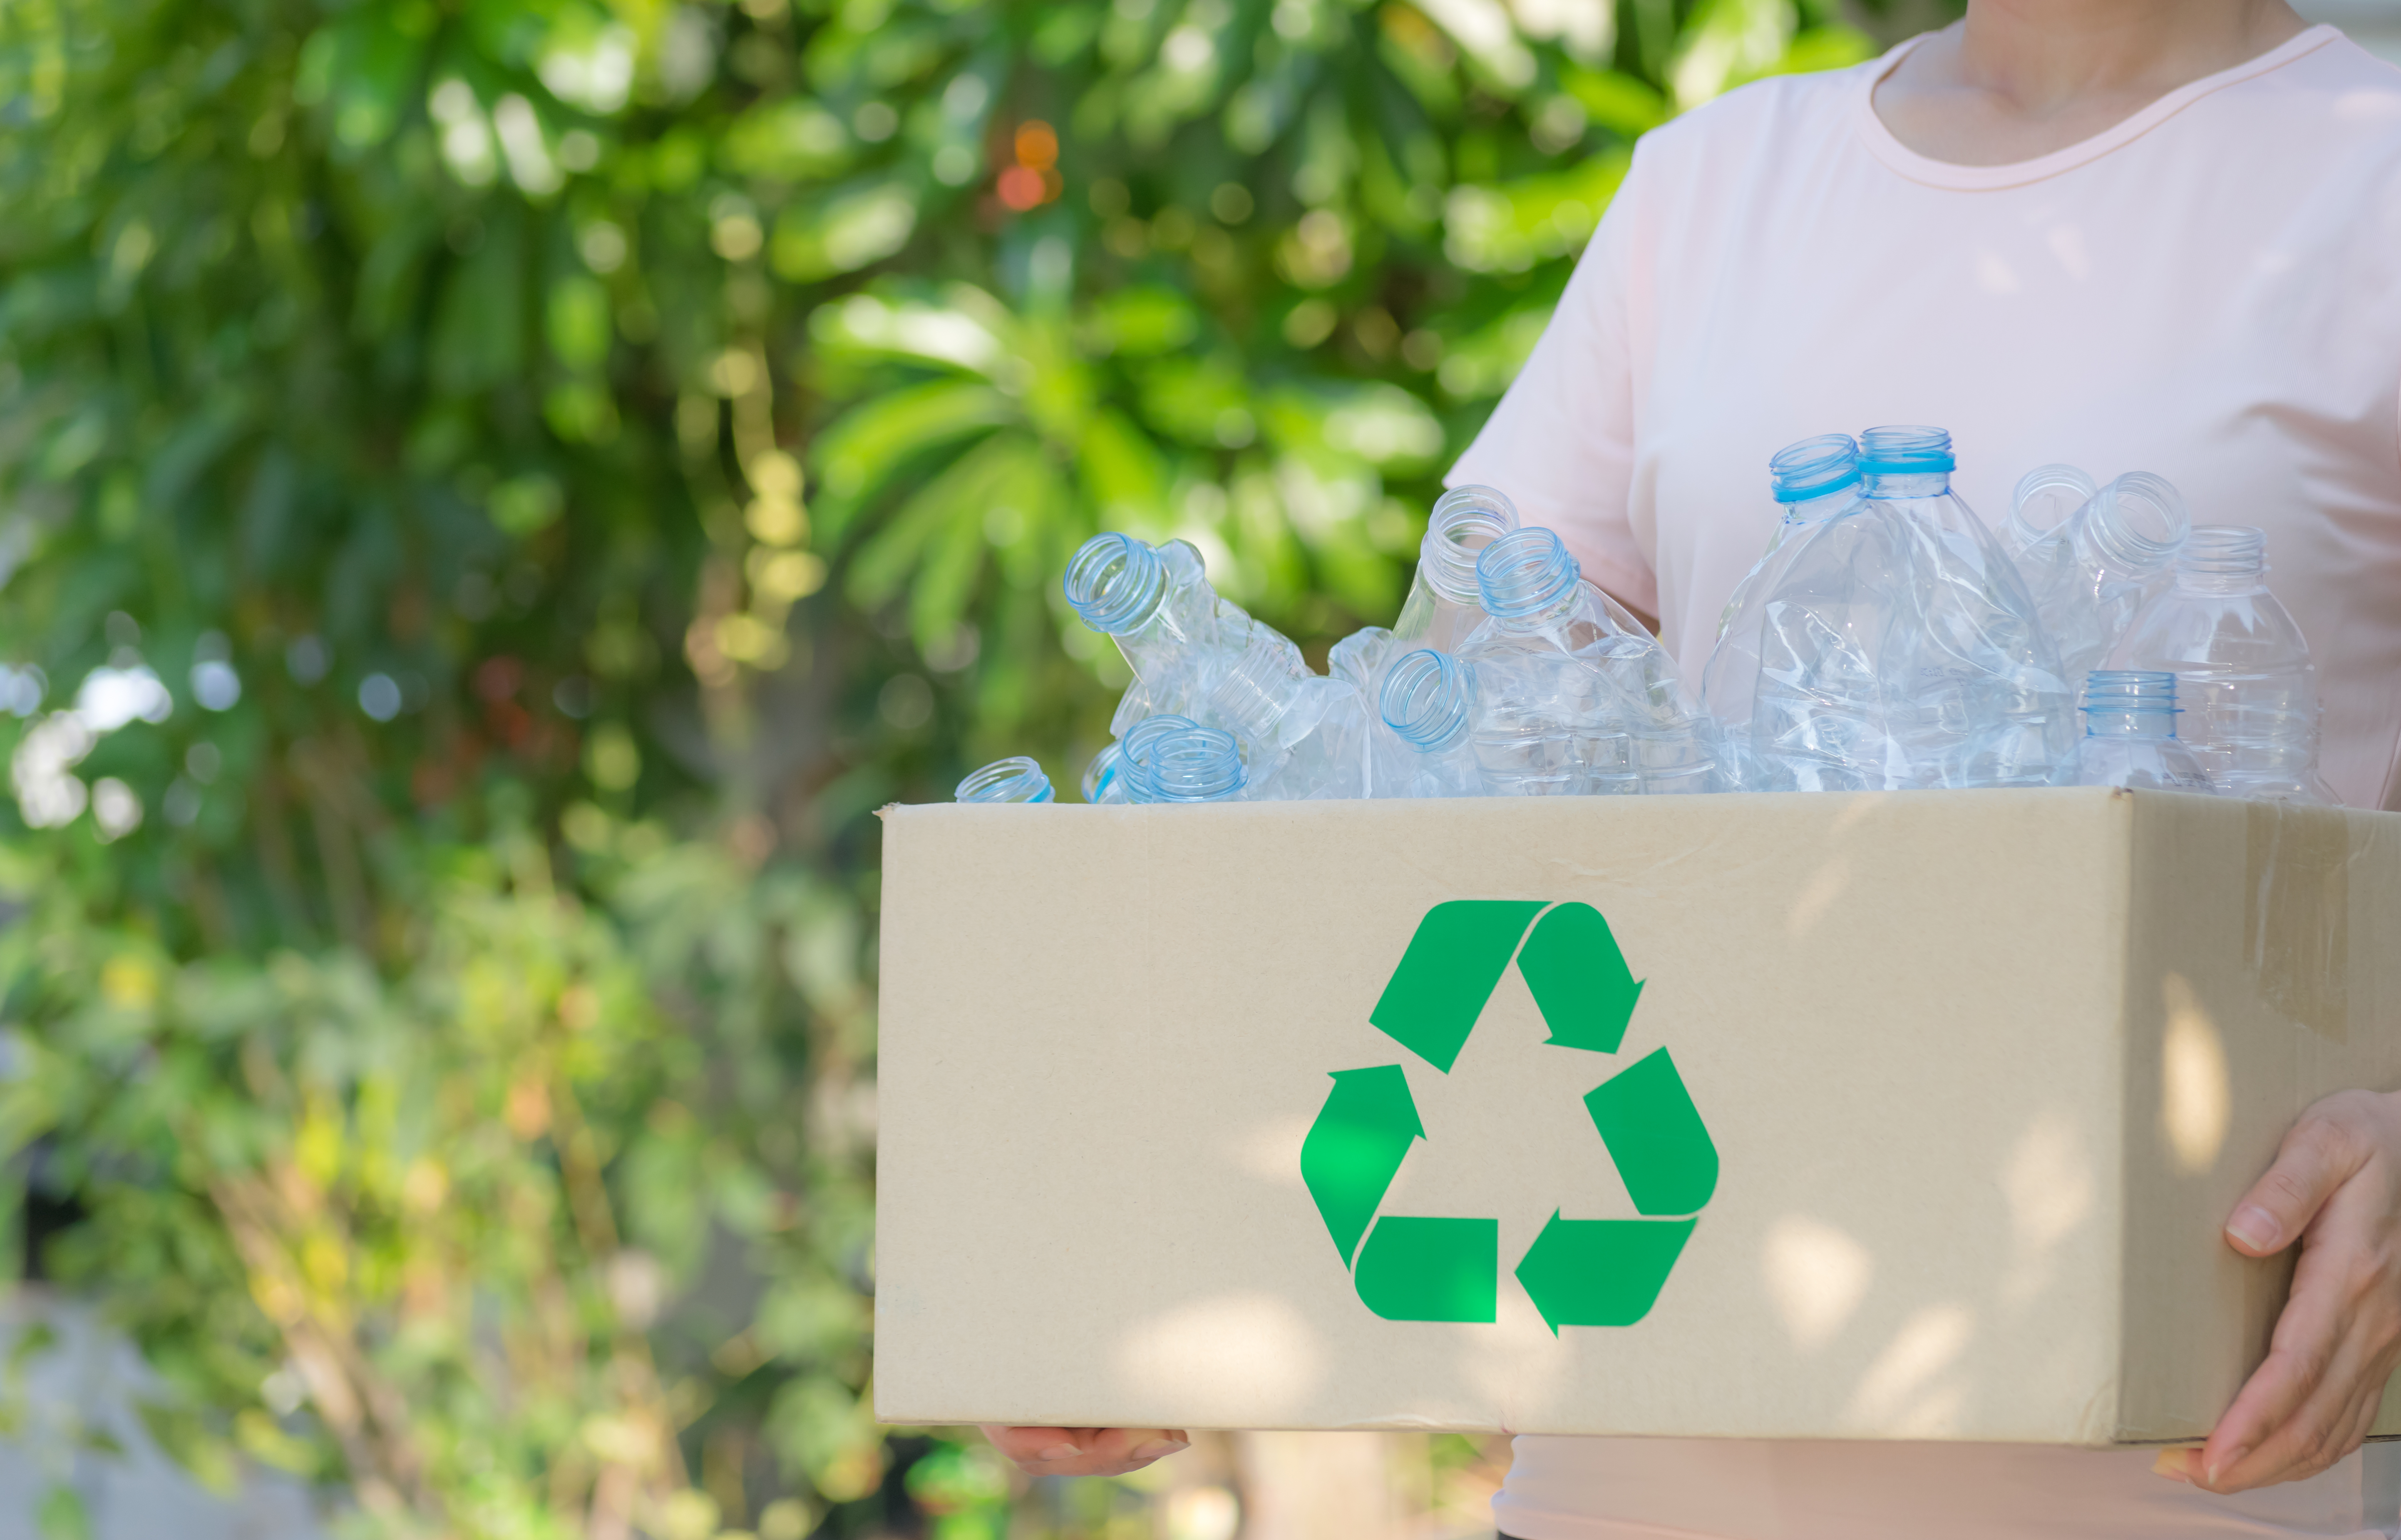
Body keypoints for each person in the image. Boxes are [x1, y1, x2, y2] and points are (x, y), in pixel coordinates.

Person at [986, 0, 2401, 1533]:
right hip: (1635, 1474)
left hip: (2198, 1487)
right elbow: (1421, 780)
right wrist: (1145, 1213)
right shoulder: (1714, 185)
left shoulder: (2364, 176)